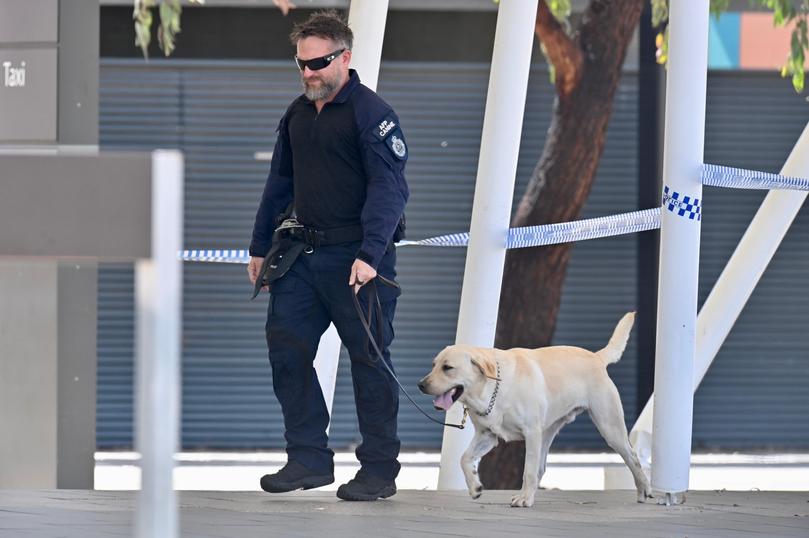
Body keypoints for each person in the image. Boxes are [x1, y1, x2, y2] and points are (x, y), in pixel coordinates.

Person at [247, 10, 409, 502]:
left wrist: (371, 254)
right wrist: (258, 246)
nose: (309, 72)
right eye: (301, 64)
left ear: (345, 57)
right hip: (301, 254)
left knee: (368, 360)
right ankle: (308, 459)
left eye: (318, 62)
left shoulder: (372, 115)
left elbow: (389, 191)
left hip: (356, 258)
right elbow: (280, 185)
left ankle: (379, 470)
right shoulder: (297, 113)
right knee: (285, 348)